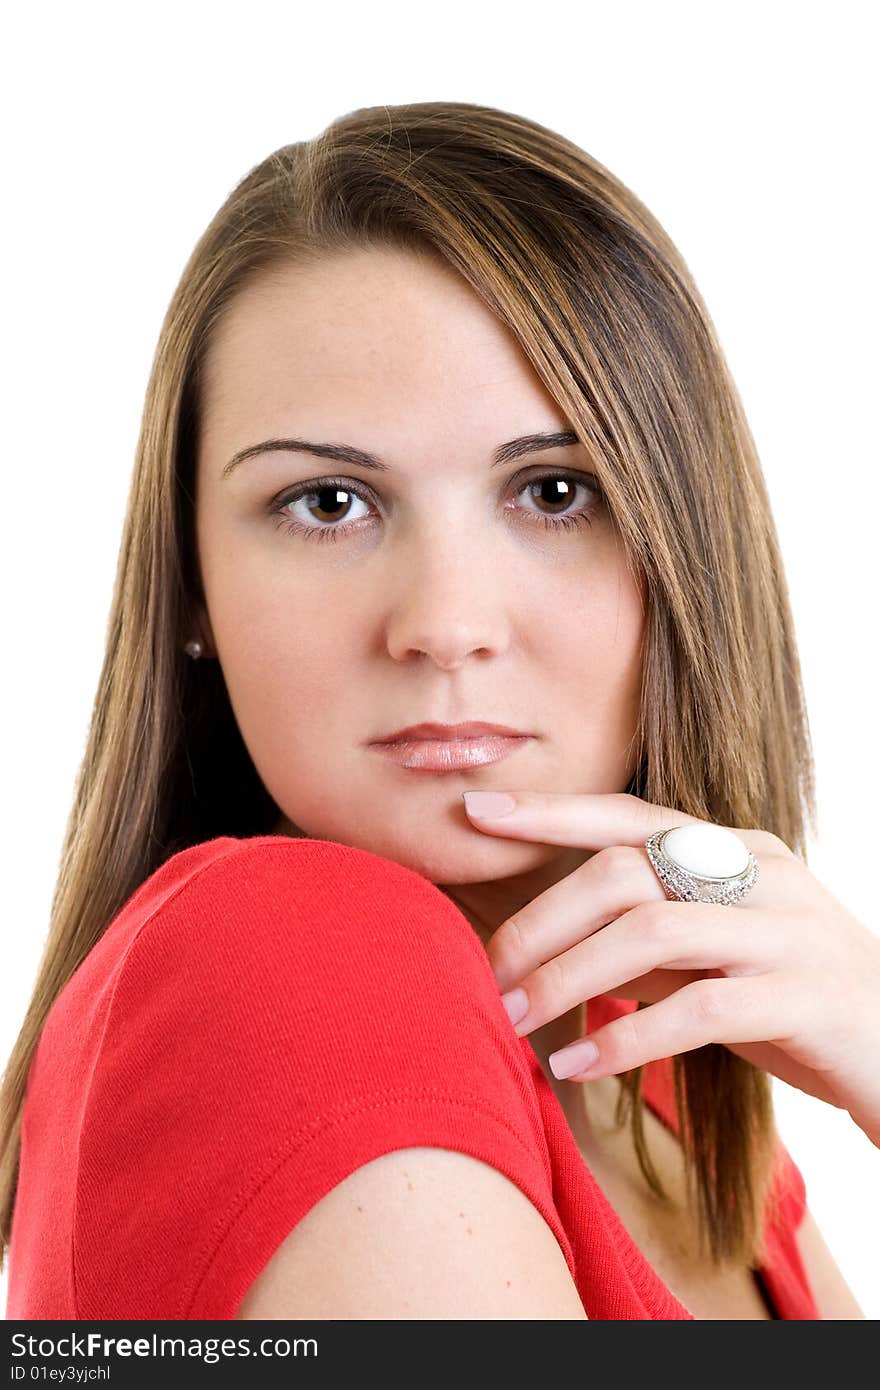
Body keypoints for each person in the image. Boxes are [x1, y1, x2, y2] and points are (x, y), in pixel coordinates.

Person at [1, 101, 874, 1321]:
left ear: (684, 548)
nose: (444, 621)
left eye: (554, 489)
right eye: (326, 503)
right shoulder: (296, 954)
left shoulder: (651, 1064)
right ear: (188, 582)